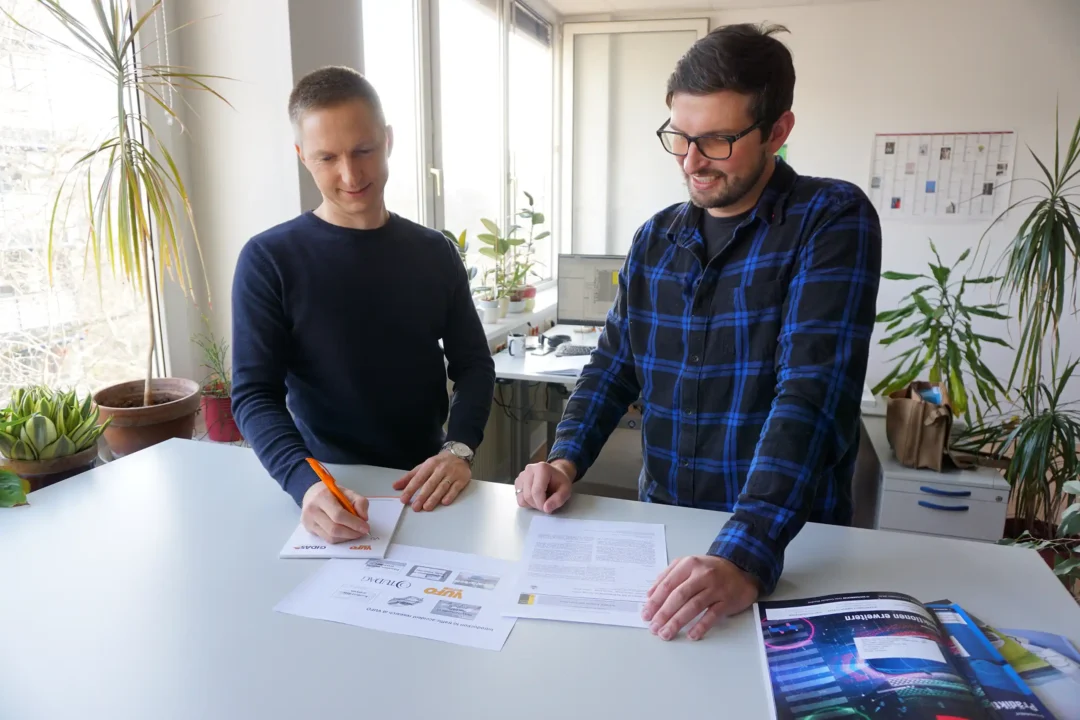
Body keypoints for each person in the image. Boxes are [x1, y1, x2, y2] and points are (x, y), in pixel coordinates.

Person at [513, 24, 881, 641]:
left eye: (716, 140)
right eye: (680, 137)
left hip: (778, 544)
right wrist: (565, 457)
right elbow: (612, 366)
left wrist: (746, 551)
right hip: (664, 531)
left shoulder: (830, 220)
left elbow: (812, 395)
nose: (690, 161)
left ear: (779, 132)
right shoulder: (656, 239)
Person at [232, 66, 495, 544]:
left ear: (388, 140)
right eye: (326, 157)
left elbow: (474, 364)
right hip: (326, 487)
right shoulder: (269, 259)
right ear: (301, 156)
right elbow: (253, 394)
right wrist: (305, 484)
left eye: (363, 151)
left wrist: (459, 448)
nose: (350, 175)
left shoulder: (434, 251)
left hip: (425, 483)